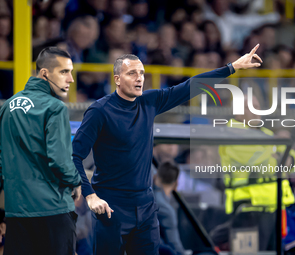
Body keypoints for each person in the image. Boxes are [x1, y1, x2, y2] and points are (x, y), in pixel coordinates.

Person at [72, 44, 262, 255]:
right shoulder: (99, 111)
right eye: (132, 73)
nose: (139, 78)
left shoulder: (149, 102)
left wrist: (232, 67)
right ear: (117, 79)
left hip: (145, 206)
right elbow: (74, 156)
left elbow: (192, 86)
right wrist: (90, 196)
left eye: (142, 73)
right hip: (111, 207)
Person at [0, 47, 82, 255]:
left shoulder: (6, 107)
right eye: (64, 72)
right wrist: (75, 181)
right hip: (52, 210)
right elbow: (60, 161)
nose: (70, 79)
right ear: (45, 73)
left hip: (16, 212)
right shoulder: (55, 108)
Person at [210, 95, 295, 251]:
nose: (256, 111)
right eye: (249, 107)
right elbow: (261, 161)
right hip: (248, 210)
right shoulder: (231, 134)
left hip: (273, 209)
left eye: (258, 106)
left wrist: (281, 154)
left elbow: (292, 159)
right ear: (237, 112)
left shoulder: (265, 133)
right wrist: (278, 152)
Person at [153, 162, 185, 255]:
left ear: (156, 177)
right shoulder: (167, 210)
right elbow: (174, 244)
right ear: (176, 184)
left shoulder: (148, 198)